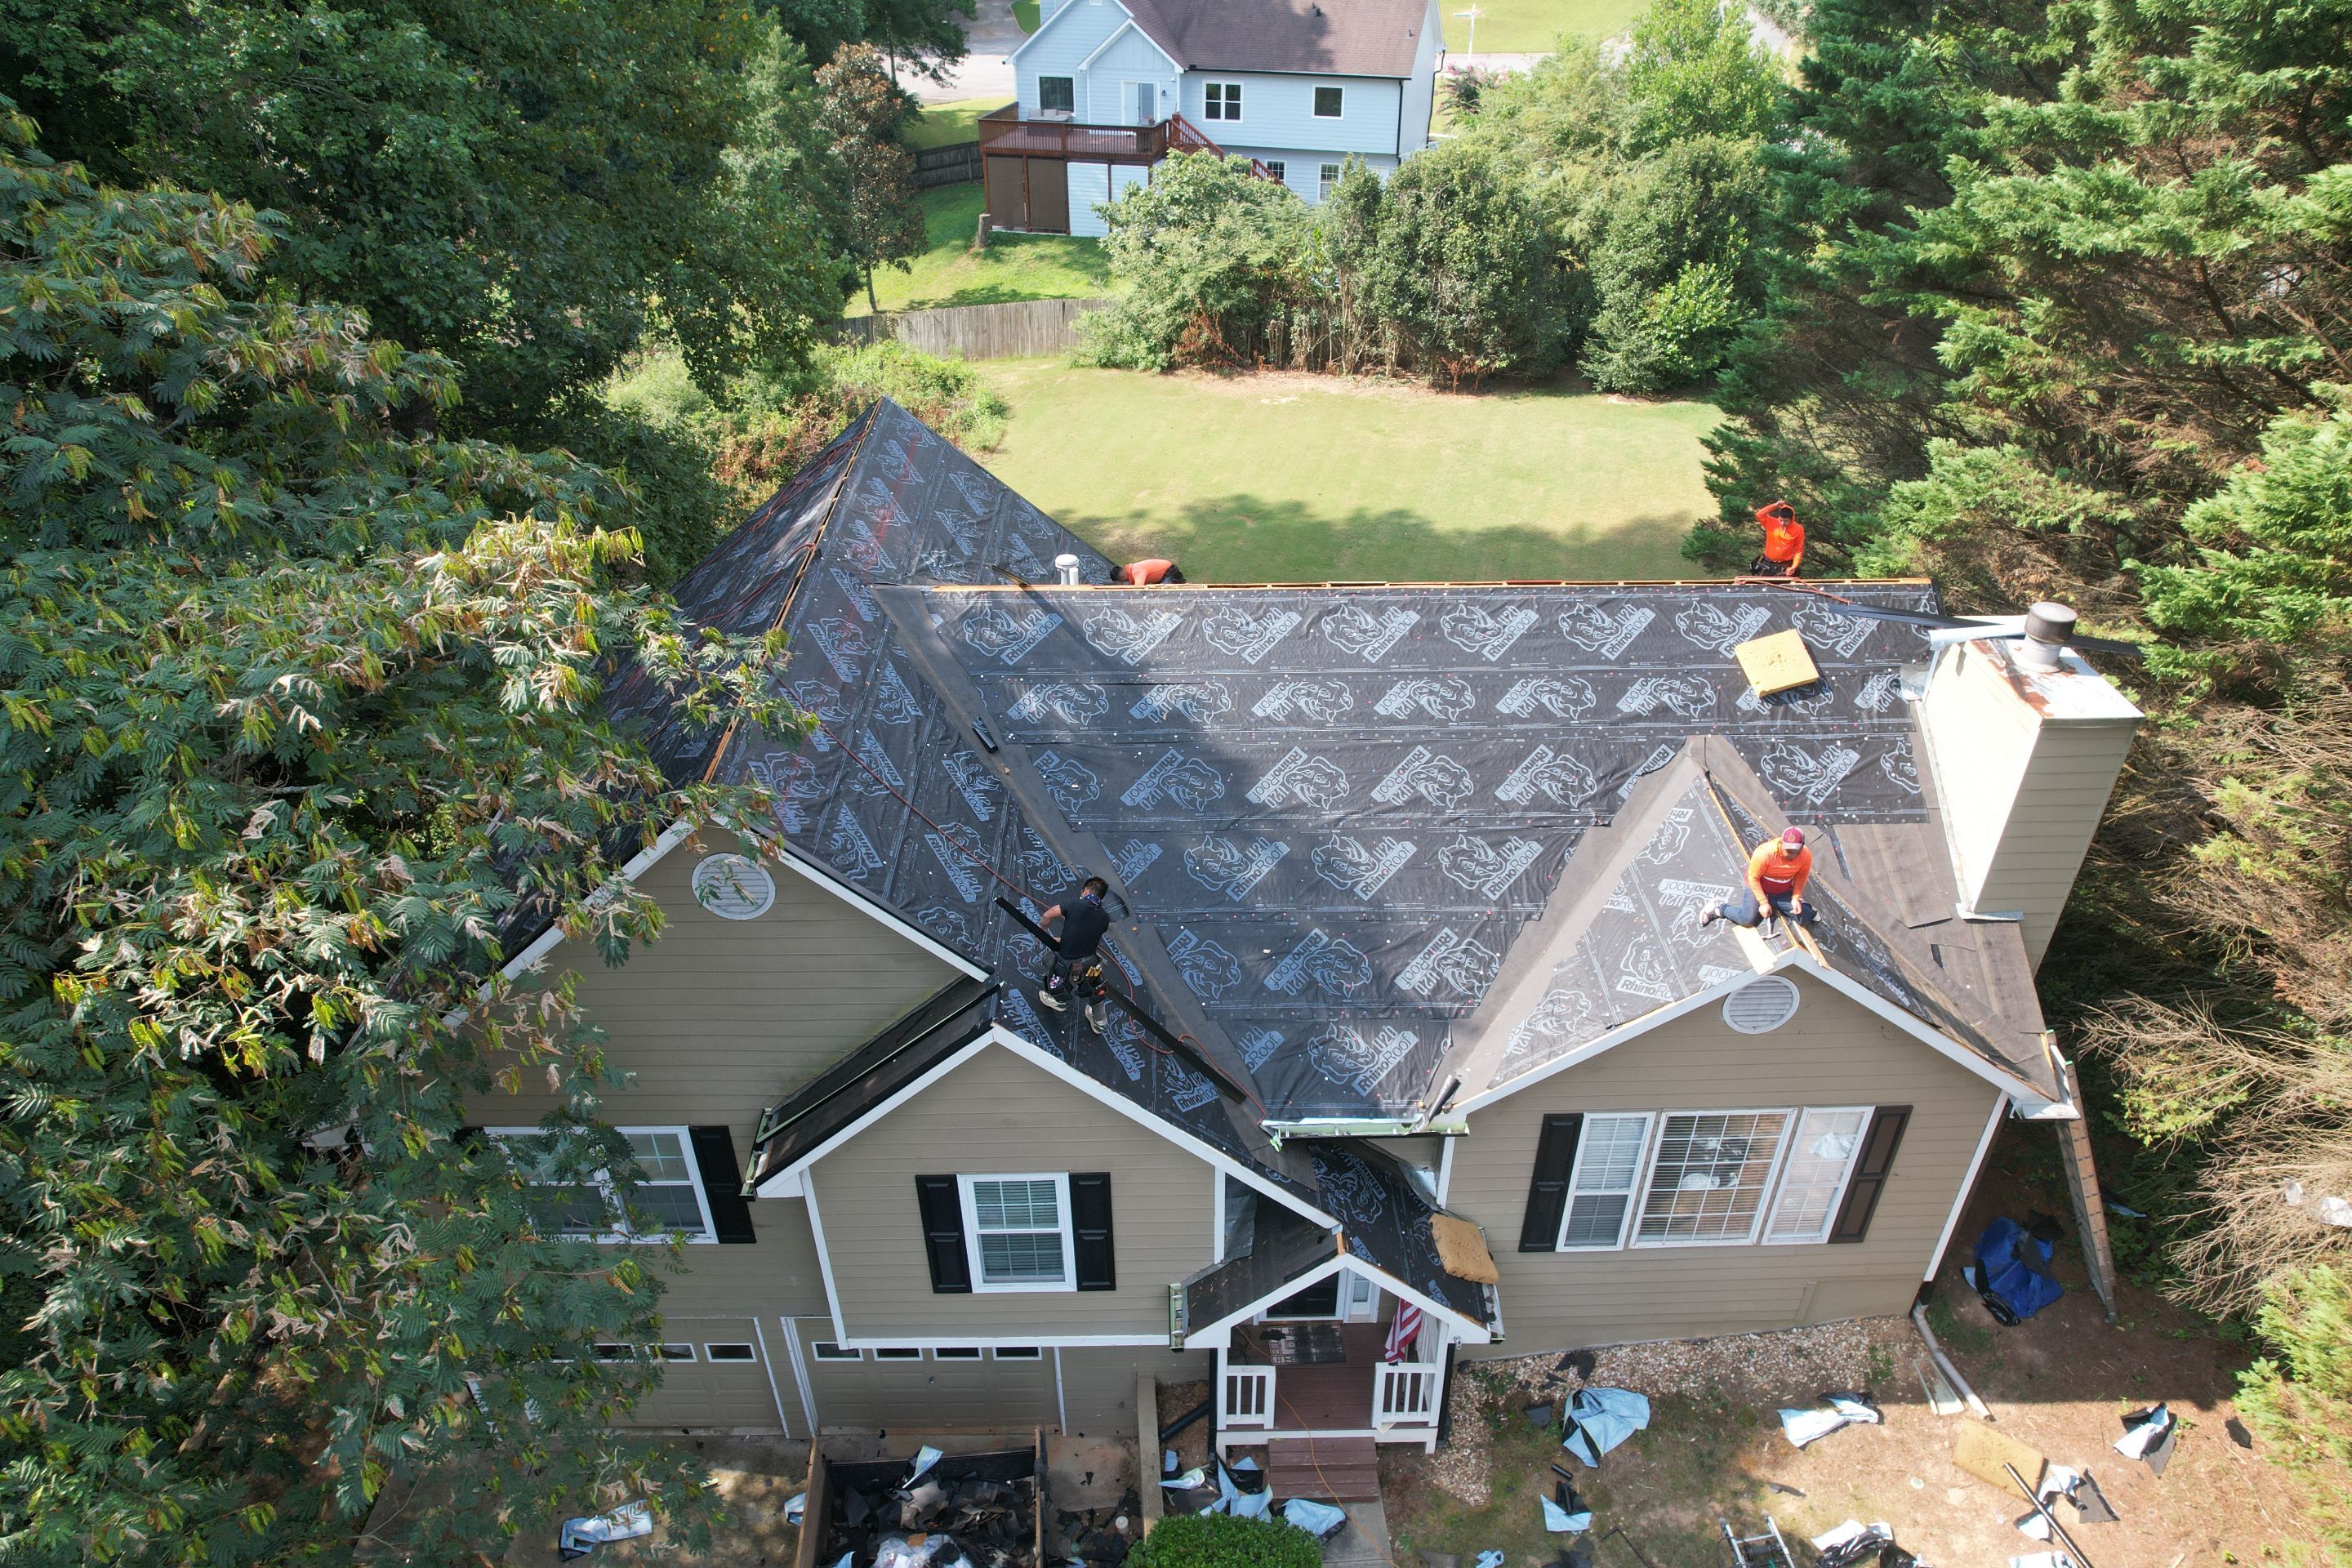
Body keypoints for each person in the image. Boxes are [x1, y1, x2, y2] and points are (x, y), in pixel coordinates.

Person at [1701, 826, 1818, 934]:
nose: (1792, 856)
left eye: (1796, 853)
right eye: (1789, 851)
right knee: (1747, 919)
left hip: (1781, 891)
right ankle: (1720, 909)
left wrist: (1796, 898)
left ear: (1802, 847)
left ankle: (1806, 909)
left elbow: (1802, 876)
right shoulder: (1765, 853)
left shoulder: (1806, 855)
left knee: (1804, 917)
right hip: (1759, 888)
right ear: (1782, 843)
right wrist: (1763, 902)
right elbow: (1753, 878)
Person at [1036, 875, 1112, 1013]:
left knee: (1050, 961)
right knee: (1095, 986)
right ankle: (1099, 1018)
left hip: (1068, 961)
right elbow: (1083, 937)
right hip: (1090, 961)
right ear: (1102, 899)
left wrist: (1042, 930)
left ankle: (1057, 1000)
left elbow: (1047, 916)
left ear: (1086, 891)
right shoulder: (1105, 918)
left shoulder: (1075, 904)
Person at [1748, 501, 1805, 578]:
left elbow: (1798, 550)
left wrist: (1794, 566)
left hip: (1786, 565)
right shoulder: (1772, 522)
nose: (1782, 523)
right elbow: (1759, 515)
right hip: (1768, 564)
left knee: (1788, 587)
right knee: (1761, 585)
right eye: (1781, 520)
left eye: (1786, 521)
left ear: (1791, 520)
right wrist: (1775, 505)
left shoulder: (1799, 529)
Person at [1121, 559, 1185, 585]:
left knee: (1166, 594)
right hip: (1161, 578)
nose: (1126, 582)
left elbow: (1139, 589)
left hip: (1169, 572)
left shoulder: (1136, 570)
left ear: (1122, 577)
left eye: (1123, 581)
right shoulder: (1131, 571)